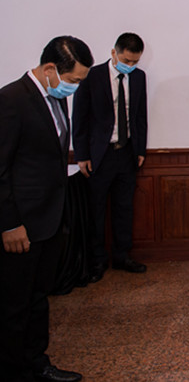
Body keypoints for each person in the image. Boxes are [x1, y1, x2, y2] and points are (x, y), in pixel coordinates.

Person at [0, 36, 93, 382]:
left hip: (49, 220)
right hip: (20, 226)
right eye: (72, 80)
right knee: (14, 306)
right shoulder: (11, 100)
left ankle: (37, 363)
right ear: (50, 69)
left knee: (38, 299)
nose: (74, 88)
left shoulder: (56, 98)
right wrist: (9, 224)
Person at [72, 33, 148, 283]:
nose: (130, 65)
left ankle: (122, 256)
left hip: (127, 152)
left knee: (124, 208)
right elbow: (79, 117)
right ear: (114, 53)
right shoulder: (91, 76)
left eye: (135, 61)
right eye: (126, 60)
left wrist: (140, 150)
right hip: (100, 154)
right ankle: (97, 261)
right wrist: (82, 154)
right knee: (96, 210)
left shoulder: (139, 78)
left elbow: (140, 116)